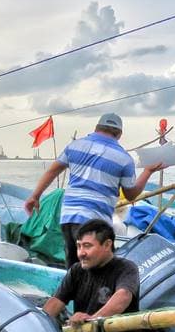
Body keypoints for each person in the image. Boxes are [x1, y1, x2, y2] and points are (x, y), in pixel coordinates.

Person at [23, 112, 160, 268]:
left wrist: (35, 196)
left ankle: (70, 292)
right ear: (119, 134)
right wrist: (148, 171)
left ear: (96, 128)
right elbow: (131, 195)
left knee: (74, 271)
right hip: (95, 222)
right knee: (102, 272)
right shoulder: (124, 158)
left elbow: (52, 171)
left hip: (68, 218)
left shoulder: (75, 145)